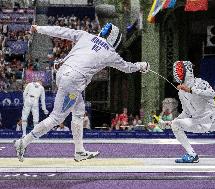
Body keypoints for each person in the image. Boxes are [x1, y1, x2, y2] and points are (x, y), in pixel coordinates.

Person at [14, 23, 149, 162]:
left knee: (79, 112)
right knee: (56, 118)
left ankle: (79, 151)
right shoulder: (110, 53)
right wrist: (142, 66)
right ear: (115, 39)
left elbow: (62, 31)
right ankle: (23, 143)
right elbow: (127, 67)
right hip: (73, 81)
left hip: (62, 73)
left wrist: (40, 28)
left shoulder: (86, 36)